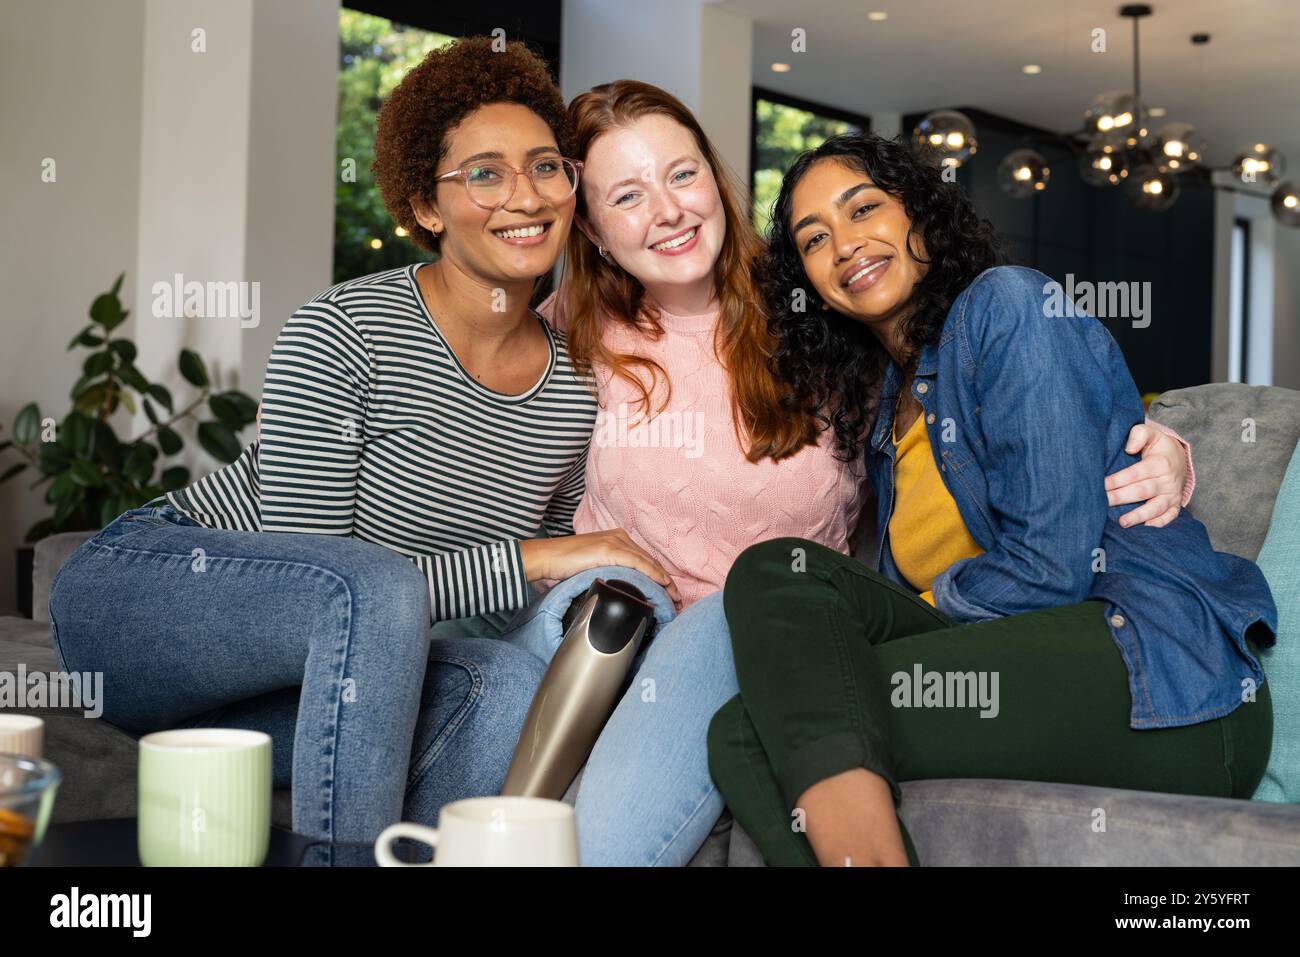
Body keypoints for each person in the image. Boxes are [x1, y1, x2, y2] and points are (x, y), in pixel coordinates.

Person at [495, 84, 1199, 866]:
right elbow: (483, 444)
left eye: (682, 175)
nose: (668, 211)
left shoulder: (815, 315)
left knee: (750, 613)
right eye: (627, 195)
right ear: (590, 227)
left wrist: (1163, 438)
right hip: (623, 634)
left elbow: (1030, 378)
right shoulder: (572, 326)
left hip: (758, 641)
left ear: (715, 176)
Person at [48, 38, 670, 866]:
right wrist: (542, 554)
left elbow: (500, 607)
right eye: (483, 173)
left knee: (503, 684)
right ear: (425, 208)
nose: (525, 195)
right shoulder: (343, 330)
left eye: (546, 166)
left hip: (303, 682)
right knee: (369, 583)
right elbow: (326, 581)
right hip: (143, 603)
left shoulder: (573, 391)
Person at [707, 132, 1276, 867]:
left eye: (864, 209)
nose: (845, 244)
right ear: (809, 278)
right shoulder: (886, 404)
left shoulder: (1009, 306)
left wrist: (918, 626)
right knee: (770, 593)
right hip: (1028, 659)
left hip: (1159, 668)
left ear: (921, 213)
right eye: (815, 239)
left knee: (766, 725)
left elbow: (1050, 566)